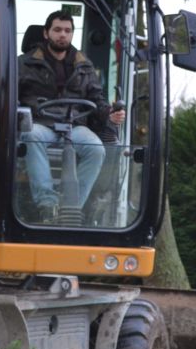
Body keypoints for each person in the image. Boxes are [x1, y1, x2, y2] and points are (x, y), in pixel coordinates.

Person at [18, 11, 125, 220]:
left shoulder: (84, 66)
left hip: (75, 126)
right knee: (31, 136)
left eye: (67, 31)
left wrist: (110, 115)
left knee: (96, 149)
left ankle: (71, 207)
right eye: (57, 30)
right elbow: (9, 95)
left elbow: (97, 99)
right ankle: (47, 204)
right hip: (42, 123)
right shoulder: (24, 63)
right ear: (46, 33)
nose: (62, 35)